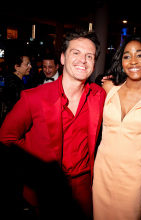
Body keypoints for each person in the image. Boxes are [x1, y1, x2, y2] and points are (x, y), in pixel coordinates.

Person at [0, 30, 106, 219]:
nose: (83, 60)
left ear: (94, 63)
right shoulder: (33, 97)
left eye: (89, 56)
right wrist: (36, 158)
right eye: (76, 53)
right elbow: (7, 136)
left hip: (84, 187)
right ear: (63, 58)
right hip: (47, 187)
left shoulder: (99, 95)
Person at [92, 35, 141, 220]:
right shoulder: (108, 88)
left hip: (134, 175)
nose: (133, 61)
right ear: (121, 62)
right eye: (127, 56)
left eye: (140, 55)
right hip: (102, 170)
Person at [0, 53, 32, 124]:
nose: (30, 66)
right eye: (27, 64)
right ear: (17, 67)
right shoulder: (14, 84)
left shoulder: (14, 81)